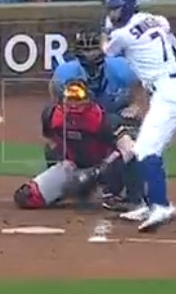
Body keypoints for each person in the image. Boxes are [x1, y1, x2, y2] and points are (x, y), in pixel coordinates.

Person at [104, 0, 176, 232]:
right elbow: (159, 25)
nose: (113, 15)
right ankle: (149, 204)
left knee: (147, 150)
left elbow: (107, 50)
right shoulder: (156, 19)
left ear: (125, 8)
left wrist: (106, 29)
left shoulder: (122, 35)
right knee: (145, 149)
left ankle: (161, 205)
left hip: (169, 94)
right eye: (110, 11)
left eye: (116, 10)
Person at [50, 30, 143, 210]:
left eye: (94, 54)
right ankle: (73, 183)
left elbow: (141, 84)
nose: (90, 60)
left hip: (116, 117)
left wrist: (137, 106)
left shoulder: (122, 68)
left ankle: (131, 195)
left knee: (132, 144)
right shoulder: (66, 72)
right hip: (86, 119)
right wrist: (61, 112)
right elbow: (54, 90)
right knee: (57, 143)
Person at [13, 79, 127, 210]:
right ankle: (68, 190)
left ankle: (113, 194)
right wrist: (60, 169)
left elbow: (124, 149)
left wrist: (99, 170)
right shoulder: (51, 116)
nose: (73, 104)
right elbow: (50, 142)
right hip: (72, 166)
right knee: (26, 197)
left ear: (88, 99)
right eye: (70, 98)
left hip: (103, 167)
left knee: (120, 161)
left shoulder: (101, 119)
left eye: (78, 98)